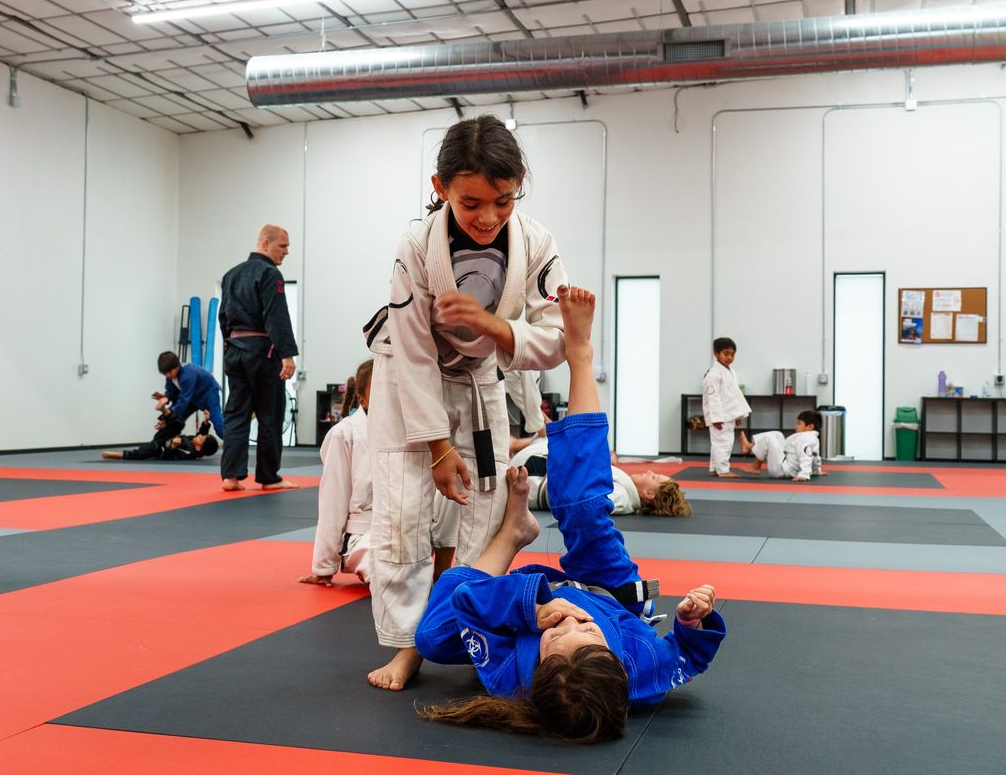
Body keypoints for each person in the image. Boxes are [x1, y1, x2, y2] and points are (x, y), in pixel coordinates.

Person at [414, 286, 725, 743]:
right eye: (587, 631)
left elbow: (464, 604)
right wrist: (691, 621)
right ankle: (581, 355)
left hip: (526, 603)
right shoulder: (642, 672)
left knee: (432, 638)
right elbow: (688, 656)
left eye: (558, 636)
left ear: (537, 667)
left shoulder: (509, 674)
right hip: (612, 592)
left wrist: (531, 614)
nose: (572, 620)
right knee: (580, 507)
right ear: (615, 657)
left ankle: (511, 535)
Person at [363, 115, 569, 691]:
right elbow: (412, 352)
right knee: (403, 513)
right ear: (441, 188)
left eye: (503, 201)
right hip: (406, 379)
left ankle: (466, 629)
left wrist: (492, 325)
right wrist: (435, 448)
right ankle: (405, 646)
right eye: (470, 201)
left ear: (519, 184)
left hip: (481, 378)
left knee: (486, 503)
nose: (487, 217)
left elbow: (555, 340)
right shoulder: (414, 245)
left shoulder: (537, 242)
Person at [299, 359, 457, 587]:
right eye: (381, 389)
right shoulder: (344, 434)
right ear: (362, 399)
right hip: (366, 536)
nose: (391, 396)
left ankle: (441, 569)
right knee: (397, 583)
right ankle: (419, 577)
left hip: (415, 531)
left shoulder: (421, 433)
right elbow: (333, 502)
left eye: (397, 387)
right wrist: (324, 566)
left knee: (455, 486)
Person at [218, 225, 299, 492]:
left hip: (235, 349)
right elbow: (276, 316)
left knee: (236, 413)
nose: (286, 252)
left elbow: (223, 317)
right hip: (262, 351)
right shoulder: (270, 274)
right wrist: (287, 355)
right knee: (270, 413)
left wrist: (229, 345)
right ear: (265, 243)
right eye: (282, 246)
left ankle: (231, 477)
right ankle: (269, 477)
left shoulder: (231, 274)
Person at [510, 433, 691, 517]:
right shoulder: (625, 490)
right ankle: (513, 444)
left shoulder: (621, 497)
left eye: (654, 478)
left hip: (534, 476)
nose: (650, 471)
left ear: (649, 494)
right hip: (539, 469)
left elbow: (583, 500)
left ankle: (512, 445)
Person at [701, 337, 750, 477]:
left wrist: (738, 415)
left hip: (729, 413)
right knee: (722, 443)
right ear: (716, 354)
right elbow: (713, 398)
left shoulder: (731, 372)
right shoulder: (713, 374)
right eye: (726, 353)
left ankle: (714, 468)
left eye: (732, 354)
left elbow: (735, 395)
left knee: (721, 442)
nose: (729, 357)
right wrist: (716, 418)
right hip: (720, 416)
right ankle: (723, 470)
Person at [153, 351, 224, 438]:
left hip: (209, 393)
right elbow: (170, 391)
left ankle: (232, 443)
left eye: (169, 372)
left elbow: (183, 401)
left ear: (177, 366)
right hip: (192, 397)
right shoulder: (170, 376)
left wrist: (168, 414)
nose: (167, 375)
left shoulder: (188, 374)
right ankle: (165, 445)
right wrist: (166, 398)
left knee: (219, 426)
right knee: (175, 421)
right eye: (165, 373)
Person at [739, 410, 825, 482]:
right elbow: (815, 457)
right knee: (778, 434)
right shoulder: (811, 438)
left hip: (782, 470)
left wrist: (804, 474)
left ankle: (755, 465)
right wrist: (816, 471)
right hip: (786, 465)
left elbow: (806, 456)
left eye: (799, 423)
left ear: (810, 426)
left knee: (769, 438)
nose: (796, 426)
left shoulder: (806, 438)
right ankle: (750, 447)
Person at [101, 414, 219, 461]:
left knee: (149, 451)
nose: (200, 435)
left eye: (201, 438)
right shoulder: (197, 445)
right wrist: (206, 422)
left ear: (198, 447)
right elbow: (203, 433)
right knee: (179, 423)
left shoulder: (189, 450)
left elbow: (170, 452)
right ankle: (164, 414)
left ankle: (121, 455)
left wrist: (173, 445)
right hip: (166, 436)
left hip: (161, 447)